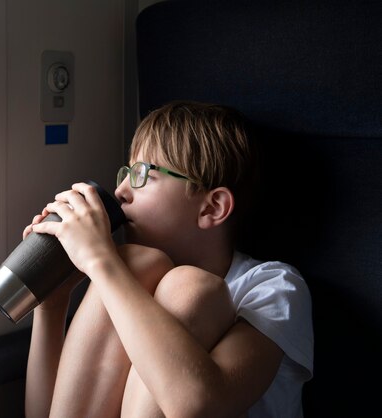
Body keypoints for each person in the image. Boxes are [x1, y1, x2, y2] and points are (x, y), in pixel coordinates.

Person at [23, 101, 313, 418]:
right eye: (126, 172)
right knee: (136, 263)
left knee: (187, 286)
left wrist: (100, 261)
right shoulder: (128, 272)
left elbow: (200, 403)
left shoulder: (272, 286)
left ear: (212, 208)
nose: (120, 192)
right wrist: (51, 307)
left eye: (143, 174)